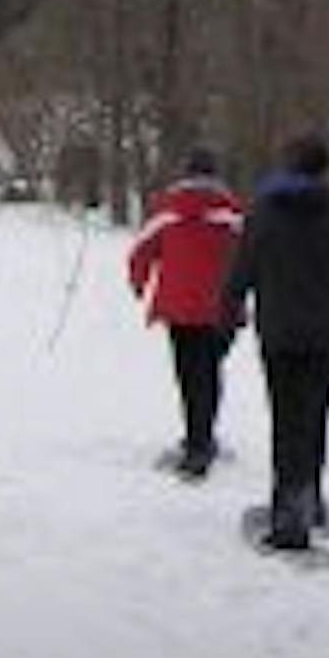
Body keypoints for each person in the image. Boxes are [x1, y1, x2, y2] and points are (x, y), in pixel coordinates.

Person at [221, 131, 329, 550]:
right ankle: (308, 497)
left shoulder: (263, 216)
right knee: (315, 416)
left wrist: (228, 314)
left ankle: (288, 511)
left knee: (285, 419)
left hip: (280, 331)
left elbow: (241, 271)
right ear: (326, 172)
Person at [127, 143, 246, 477]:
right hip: (222, 308)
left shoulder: (168, 209)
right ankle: (203, 437)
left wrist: (139, 284)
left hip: (178, 306)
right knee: (209, 370)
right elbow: (253, 253)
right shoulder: (233, 213)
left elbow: (140, 250)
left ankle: (197, 442)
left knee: (188, 372)